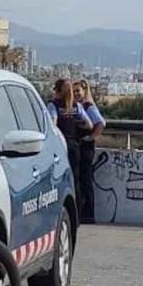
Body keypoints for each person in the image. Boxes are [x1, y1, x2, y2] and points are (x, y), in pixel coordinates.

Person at [46, 79, 93, 214]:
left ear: (58, 91)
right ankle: (77, 212)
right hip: (74, 146)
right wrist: (77, 125)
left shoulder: (53, 105)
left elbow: (52, 124)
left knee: (57, 180)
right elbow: (89, 124)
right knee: (75, 180)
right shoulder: (76, 106)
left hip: (60, 147)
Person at [74, 79, 106, 224]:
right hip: (79, 146)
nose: (75, 94)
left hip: (85, 148)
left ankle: (88, 213)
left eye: (78, 91)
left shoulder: (88, 107)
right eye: (73, 92)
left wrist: (91, 137)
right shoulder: (76, 107)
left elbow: (101, 123)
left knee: (85, 179)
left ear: (84, 91)